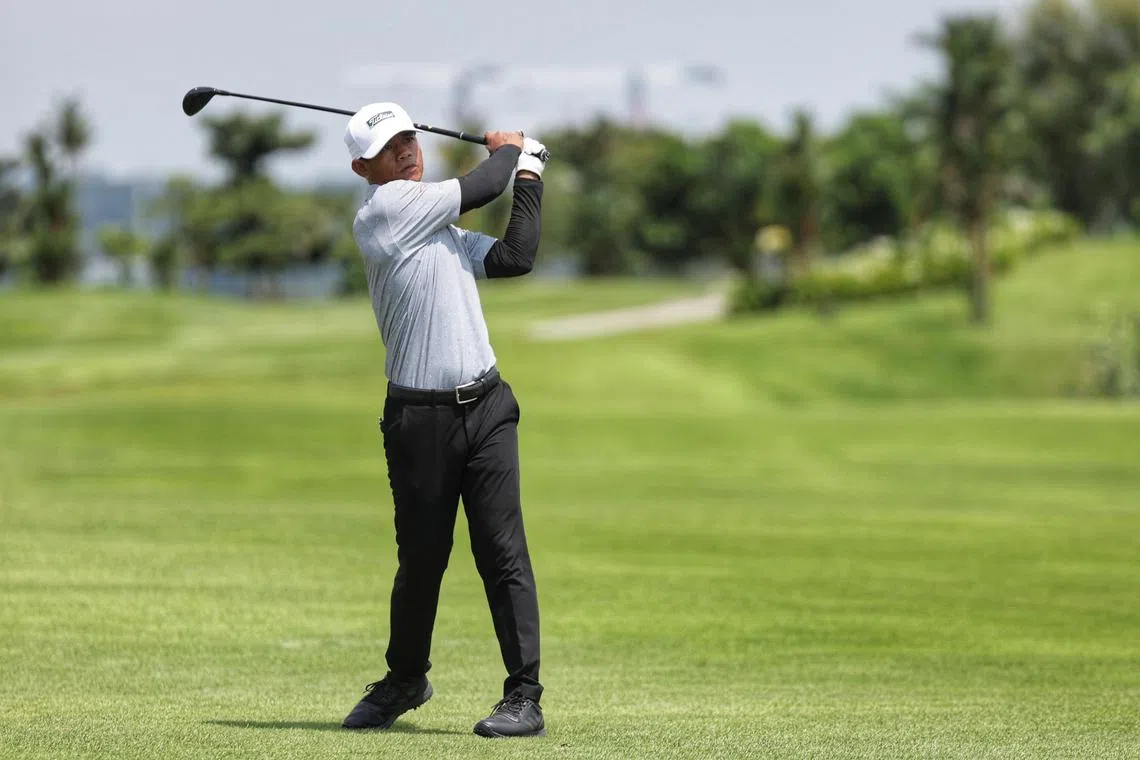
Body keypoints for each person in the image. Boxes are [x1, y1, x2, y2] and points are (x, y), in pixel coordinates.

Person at [338, 101, 549, 739]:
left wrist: (531, 180)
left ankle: (524, 697)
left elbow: (515, 258)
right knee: (423, 560)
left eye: (408, 138)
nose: (404, 151)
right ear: (362, 168)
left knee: (502, 552)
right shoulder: (387, 213)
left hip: (485, 408)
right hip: (418, 421)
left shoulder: (439, 231)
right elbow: (484, 185)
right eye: (388, 146)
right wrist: (512, 151)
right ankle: (405, 678)